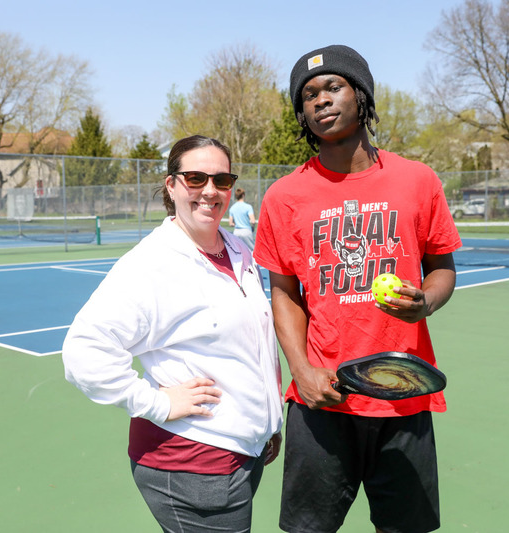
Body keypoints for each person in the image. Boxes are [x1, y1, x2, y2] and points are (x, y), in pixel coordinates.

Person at [253, 45, 462, 533]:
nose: (321, 100)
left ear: (361, 95)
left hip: (402, 389)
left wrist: (426, 301)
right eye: (308, 95)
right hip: (322, 397)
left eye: (334, 87)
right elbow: (284, 293)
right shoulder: (284, 196)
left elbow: (442, 269)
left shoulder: (417, 180)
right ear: (302, 113)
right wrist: (301, 371)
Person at [62, 135, 283, 533]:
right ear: (172, 185)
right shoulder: (152, 264)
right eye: (196, 178)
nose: (210, 191)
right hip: (191, 462)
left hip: (243, 451)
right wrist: (157, 403)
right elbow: (84, 352)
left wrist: (269, 421)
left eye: (222, 180)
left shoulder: (238, 250)